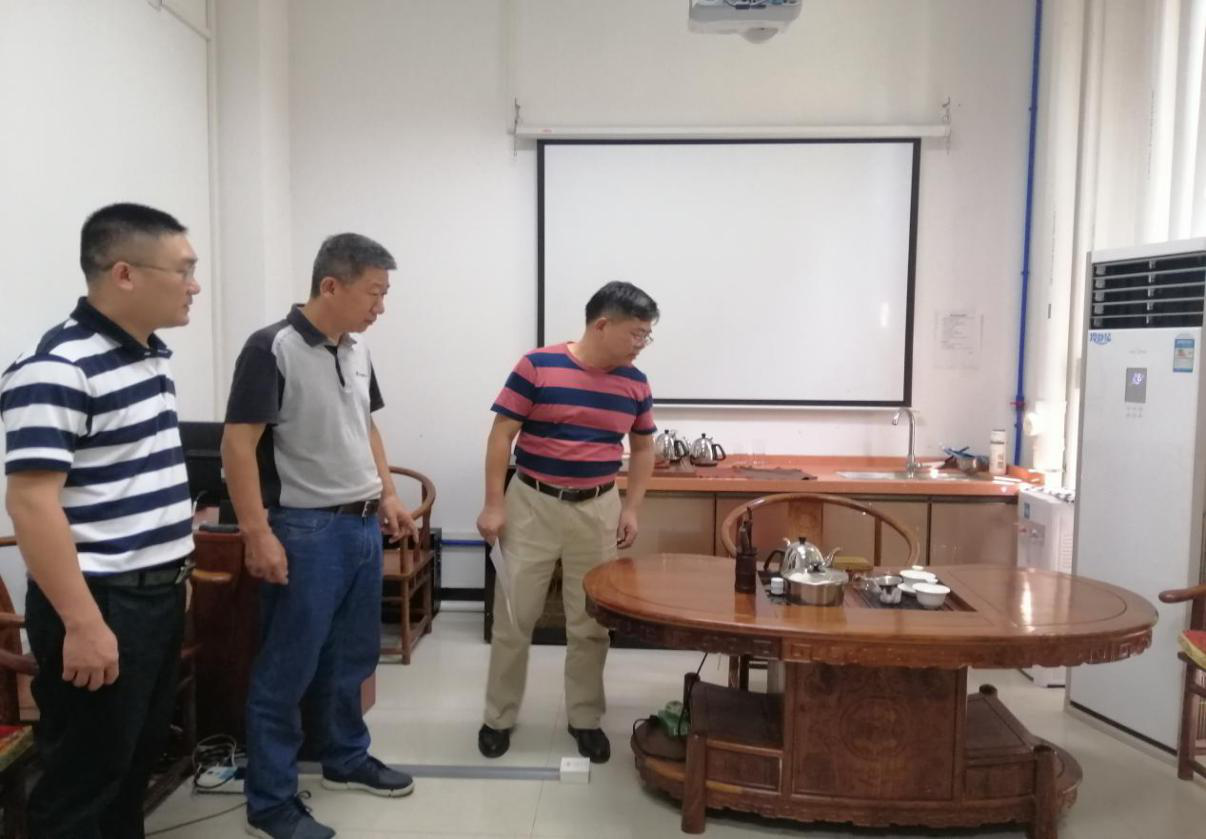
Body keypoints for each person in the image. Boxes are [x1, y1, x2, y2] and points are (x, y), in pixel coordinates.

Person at [1, 203, 201, 838]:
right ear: (125, 274)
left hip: (153, 597)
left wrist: (175, 573)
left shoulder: (148, 356)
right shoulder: (57, 366)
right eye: (183, 270)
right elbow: (30, 503)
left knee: (132, 765)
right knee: (84, 781)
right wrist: (83, 624)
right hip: (100, 602)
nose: (194, 285)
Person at [222, 233, 417, 839]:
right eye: (374, 293)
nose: (381, 307)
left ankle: (345, 756)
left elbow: (366, 428)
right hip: (306, 530)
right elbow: (238, 445)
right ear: (330, 285)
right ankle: (271, 802)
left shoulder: (356, 348)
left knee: (351, 656)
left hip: (361, 525)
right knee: (288, 667)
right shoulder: (271, 348)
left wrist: (388, 493)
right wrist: (257, 533)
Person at [476, 280, 658, 763]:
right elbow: (501, 435)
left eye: (647, 335)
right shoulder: (538, 366)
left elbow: (643, 448)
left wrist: (631, 508)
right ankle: (498, 717)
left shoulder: (635, 383)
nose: (642, 343)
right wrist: (493, 504)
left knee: (591, 622)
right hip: (531, 503)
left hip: (598, 508)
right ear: (602, 324)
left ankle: (585, 718)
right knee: (515, 617)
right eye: (636, 333)